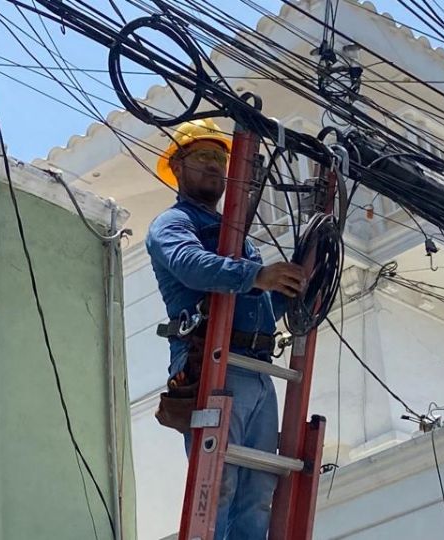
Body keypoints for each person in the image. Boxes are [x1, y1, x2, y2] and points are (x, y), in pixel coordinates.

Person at [146, 118, 305, 539]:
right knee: (218, 487)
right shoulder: (173, 223)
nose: (216, 166)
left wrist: (294, 286)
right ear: (178, 167)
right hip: (213, 362)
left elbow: (260, 301)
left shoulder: (238, 239)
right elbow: (191, 267)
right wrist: (257, 275)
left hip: (255, 367)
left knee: (257, 493)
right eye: (204, 157)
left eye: (220, 158)